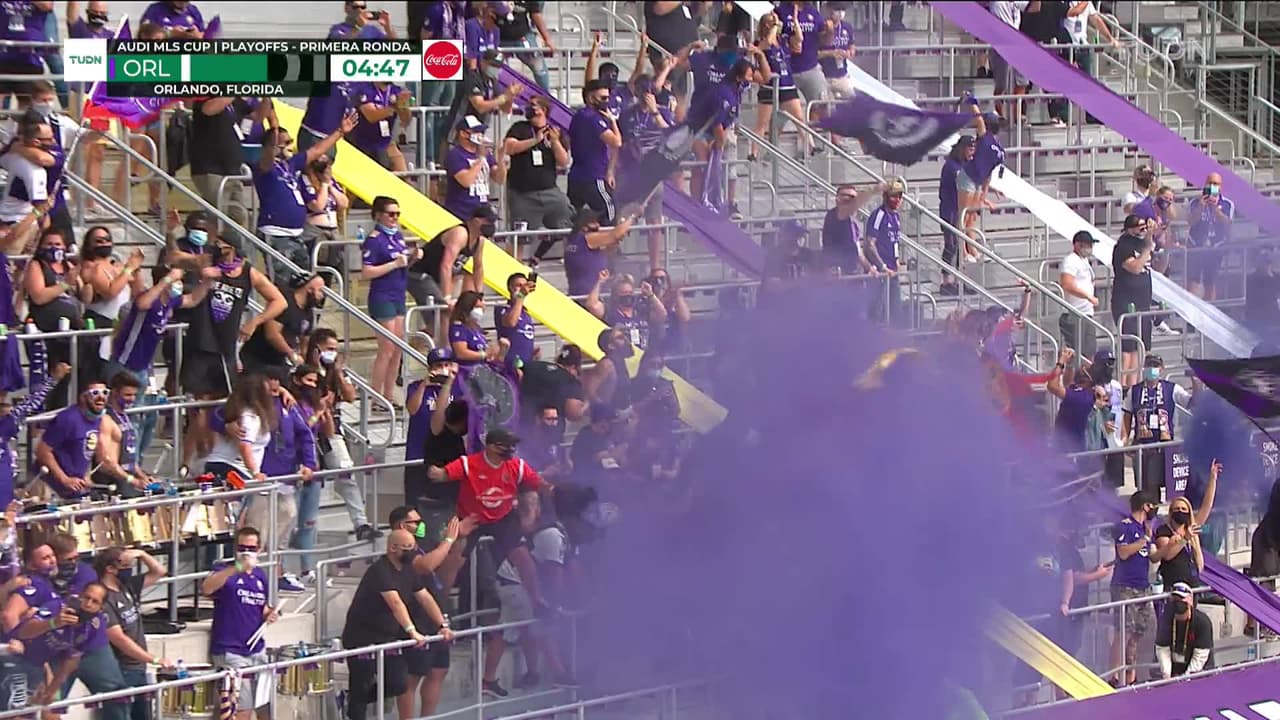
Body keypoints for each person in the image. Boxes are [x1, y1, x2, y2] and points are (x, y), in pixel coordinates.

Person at [181, 232, 285, 464]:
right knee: (199, 407)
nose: (220, 251)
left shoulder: (249, 273)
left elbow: (279, 301)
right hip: (200, 342)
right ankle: (190, 462)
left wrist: (255, 321)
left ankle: (218, 456)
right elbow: (175, 259)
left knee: (223, 403)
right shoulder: (208, 261)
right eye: (218, 246)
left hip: (226, 346)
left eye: (225, 247)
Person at [426, 429, 556, 612]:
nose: (511, 449)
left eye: (513, 445)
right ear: (491, 447)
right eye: (506, 445)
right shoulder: (468, 463)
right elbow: (444, 474)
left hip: (503, 518)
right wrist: (436, 472)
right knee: (454, 558)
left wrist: (549, 488)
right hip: (472, 518)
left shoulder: (517, 466)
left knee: (522, 555)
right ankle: (436, 607)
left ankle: (537, 601)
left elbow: (537, 482)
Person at [341, 529, 453, 720]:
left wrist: (442, 624)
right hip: (362, 637)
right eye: (408, 548)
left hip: (387, 636)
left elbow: (424, 597)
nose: (413, 552)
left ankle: (351, 699)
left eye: (413, 547)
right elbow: (395, 602)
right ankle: (354, 705)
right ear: (393, 548)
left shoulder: (409, 569)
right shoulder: (380, 570)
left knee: (398, 683)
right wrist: (412, 631)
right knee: (362, 683)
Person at [387, 508, 472, 718]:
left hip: (436, 614)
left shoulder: (423, 546)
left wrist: (459, 539)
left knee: (438, 670)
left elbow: (444, 571)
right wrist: (449, 540)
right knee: (413, 675)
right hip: (417, 617)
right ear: (401, 525)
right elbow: (425, 566)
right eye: (415, 522)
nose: (420, 525)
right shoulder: (403, 551)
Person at [254, 113, 357, 281]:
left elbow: (316, 150)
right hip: (276, 234)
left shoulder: (290, 164)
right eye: (286, 142)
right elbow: (266, 161)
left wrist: (340, 132)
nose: (290, 145)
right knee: (284, 283)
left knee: (303, 282)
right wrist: (270, 146)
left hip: (296, 235)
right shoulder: (263, 167)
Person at [303, 329, 378, 541]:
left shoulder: (334, 372)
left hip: (334, 432)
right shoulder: (305, 371)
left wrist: (337, 370)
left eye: (336, 349)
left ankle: (360, 523)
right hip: (309, 432)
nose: (333, 353)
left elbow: (351, 396)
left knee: (347, 475)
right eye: (329, 349)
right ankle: (302, 528)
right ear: (317, 348)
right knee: (308, 483)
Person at [201, 527, 279, 720]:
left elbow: (262, 607)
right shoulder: (224, 570)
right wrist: (237, 567)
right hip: (231, 651)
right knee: (240, 709)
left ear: (259, 549)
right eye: (242, 547)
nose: (247, 552)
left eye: (251, 548)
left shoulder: (260, 575)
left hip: (257, 649)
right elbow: (207, 588)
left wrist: (270, 614)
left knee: (265, 706)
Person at [14, 582, 118, 719]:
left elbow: (72, 660)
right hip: (14, 655)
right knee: (15, 713)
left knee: (49, 713)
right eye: (86, 597)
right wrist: (53, 623)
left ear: (101, 607)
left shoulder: (94, 625)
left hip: (38, 665)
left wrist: (53, 690)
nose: (88, 604)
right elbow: (23, 632)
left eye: (95, 602)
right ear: (79, 596)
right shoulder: (57, 607)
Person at [93, 547, 170, 720]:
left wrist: (141, 554)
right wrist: (154, 659)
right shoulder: (102, 598)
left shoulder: (127, 586)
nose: (130, 567)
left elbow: (160, 571)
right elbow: (119, 638)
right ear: (110, 569)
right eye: (126, 564)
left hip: (138, 668)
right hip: (120, 670)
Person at [360, 195, 421, 408]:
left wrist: (412, 258)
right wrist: (395, 264)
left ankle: (388, 393)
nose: (395, 218)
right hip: (382, 296)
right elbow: (366, 272)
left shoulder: (398, 236)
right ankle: (376, 396)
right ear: (379, 215)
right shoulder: (374, 240)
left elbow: (402, 264)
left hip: (398, 295)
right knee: (386, 348)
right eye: (391, 214)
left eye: (397, 214)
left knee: (398, 348)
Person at [616, 75, 675, 270]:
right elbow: (623, 142)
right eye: (643, 92)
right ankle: (613, 256)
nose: (647, 95)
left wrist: (655, 112)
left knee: (655, 221)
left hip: (654, 174)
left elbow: (671, 137)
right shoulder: (626, 114)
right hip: (630, 172)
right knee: (622, 217)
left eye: (650, 91)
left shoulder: (663, 113)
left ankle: (656, 266)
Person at [505, 97, 573, 266]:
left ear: (544, 110)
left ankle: (571, 261)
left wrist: (555, 142)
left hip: (549, 191)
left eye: (534, 106)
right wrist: (534, 141)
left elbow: (564, 161)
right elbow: (509, 147)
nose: (531, 109)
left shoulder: (555, 131)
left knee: (568, 222)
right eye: (530, 106)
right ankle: (514, 270)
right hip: (523, 194)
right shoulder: (519, 128)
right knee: (519, 237)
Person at [411, 204, 491, 336]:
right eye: (489, 221)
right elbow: (446, 265)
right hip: (420, 274)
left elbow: (478, 268)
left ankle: (408, 348)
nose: (492, 225)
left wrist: (480, 295)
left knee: (433, 327)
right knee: (445, 313)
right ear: (477, 221)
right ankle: (445, 352)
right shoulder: (460, 233)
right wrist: (447, 296)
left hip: (435, 278)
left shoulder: (479, 240)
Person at [1121, 354, 1194, 497]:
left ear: (1161, 369)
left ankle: (1154, 515)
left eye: (1155, 366)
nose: (1152, 369)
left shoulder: (1172, 388)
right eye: (1149, 365)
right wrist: (1125, 440)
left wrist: (1196, 382)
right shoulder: (1134, 391)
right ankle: (1148, 515)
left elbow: (1191, 403)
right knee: (1143, 487)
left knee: (1156, 485)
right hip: (1142, 446)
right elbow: (1127, 415)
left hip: (1163, 447)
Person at [1109, 490, 1157, 687]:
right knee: (1124, 632)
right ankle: (1113, 677)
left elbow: (1153, 556)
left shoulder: (1145, 530)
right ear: (1146, 506)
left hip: (1143, 586)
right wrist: (1143, 540)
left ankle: (1130, 677)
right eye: (1153, 505)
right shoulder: (1124, 526)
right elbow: (1123, 553)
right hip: (1125, 586)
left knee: (1137, 633)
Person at [31, 382, 108, 501]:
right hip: (49, 486)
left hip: (73, 488)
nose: (101, 397)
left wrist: (85, 475)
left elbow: (86, 448)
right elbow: (42, 451)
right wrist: (64, 479)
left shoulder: (97, 419)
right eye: (95, 393)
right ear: (83, 397)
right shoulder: (68, 419)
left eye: (105, 392)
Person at [239, 273, 326, 374]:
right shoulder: (284, 301)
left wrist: (305, 361)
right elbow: (272, 334)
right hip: (257, 357)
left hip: (279, 362)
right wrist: (291, 354)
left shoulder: (308, 313)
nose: (322, 295)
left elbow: (304, 341)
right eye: (320, 290)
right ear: (310, 289)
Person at [1152, 461, 1220, 589]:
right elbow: (1168, 554)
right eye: (1177, 509)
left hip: (1192, 581)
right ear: (1171, 512)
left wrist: (1212, 479)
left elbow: (1207, 506)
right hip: (1173, 583)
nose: (1180, 512)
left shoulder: (1192, 527)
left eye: (1184, 509)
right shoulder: (1163, 530)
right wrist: (1184, 539)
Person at [751, 11, 809, 158]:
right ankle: (754, 152)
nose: (777, 25)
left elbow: (799, 39)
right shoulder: (760, 42)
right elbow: (768, 43)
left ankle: (810, 146)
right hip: (769, 86)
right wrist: (775, 25)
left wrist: (795, 22)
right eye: (772, 22)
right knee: (762, 123)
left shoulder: (783, 40)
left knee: (799, 118)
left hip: (787, 84)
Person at [567, 79, 623, 224]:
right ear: (591, 98)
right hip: (593, 176)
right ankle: (609, 246)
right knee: (610, 215)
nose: (607, 102)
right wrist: (613, 121)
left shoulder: (579, 115)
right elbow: (616, 141)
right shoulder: (592, 118)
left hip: (576, 177)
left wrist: (610, 171)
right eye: (603, 98)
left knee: (573, 220)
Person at [202, 373, 275, 484]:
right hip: (236, 471)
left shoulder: (231, 410)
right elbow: (245, 446)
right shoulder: (250, 417)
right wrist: (255, 472)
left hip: (214, 464)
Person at [189, 97, 249, 228]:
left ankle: (235, 247)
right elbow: (208, 109)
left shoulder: (234, 103)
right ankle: (213, 246)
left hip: (232, 169)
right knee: (217, 218)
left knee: (239, 216)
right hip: (211, 168)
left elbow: (257, 116)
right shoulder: (206, 94)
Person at [1110, 215, 1154, 388]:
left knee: (1139, 349)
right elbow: (1135, 267)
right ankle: (1122, 388)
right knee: (1127, 350)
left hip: (1143, 302)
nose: (1143, 229)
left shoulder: (1143, 244)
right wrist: (1147, 250)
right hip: (1126, 302)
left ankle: (1134, 387)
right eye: (1140, 227)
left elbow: (1157, 265)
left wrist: (1151, 239)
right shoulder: (1123, 246)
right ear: (1129, 228)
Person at [94, 372, 153, 497]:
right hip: (113, 484)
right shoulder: (106, 420)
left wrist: (144, 477)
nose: (132, 399)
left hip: (127, 479)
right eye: (127, 395)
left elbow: (129, 460)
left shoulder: (125, 416)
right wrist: (132, 481)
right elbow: (106, 463)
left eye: (134, 395)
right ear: (114, 393)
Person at [444, 115, 506, 222]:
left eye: (481, 132)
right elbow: (466, 181)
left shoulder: (485, 154)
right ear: (463, 133)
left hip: (482, 210)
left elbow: (499, 179)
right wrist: (481, 158)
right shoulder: (455, 155)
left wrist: (501, 160)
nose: (480, 135)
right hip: (460, 212)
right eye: (476, 131)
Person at [564, 209, 634, 299]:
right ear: (584, 226)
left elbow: (610, 247)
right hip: (588, 297)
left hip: (581, 294)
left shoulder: (574, 242)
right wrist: (632, 217)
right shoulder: (587, 239)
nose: (598, 225)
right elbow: (615, 235)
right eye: (593, 222)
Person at [1186, 172, 1234, 302]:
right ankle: (1190, 315)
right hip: (1196, 246)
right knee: (1193, 282)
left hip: (1215, 248)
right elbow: (1190, 222)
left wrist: (1215, 210)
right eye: (1210, 183)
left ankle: (1209, 313)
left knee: (1210, 283)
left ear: (1220, 187)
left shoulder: (1227, 204)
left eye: (1216, 184)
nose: (1212, 186)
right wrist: (1202, 206)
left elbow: (1228, 224)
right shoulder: (1195, 202)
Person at [863, 181, 905, 326]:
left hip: (893, 271)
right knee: (877, 311)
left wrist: (897, 259)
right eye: (894, 196)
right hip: (880, 273)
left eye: (900, 195)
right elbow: (869, 243)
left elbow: (895, 241)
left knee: (896, 311)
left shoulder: (896, 217)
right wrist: (882, 265)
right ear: (886, 196)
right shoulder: (879, 215)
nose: (898, 199)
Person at [778, 1, 827, 125]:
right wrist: (788, 42)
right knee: (781, 113)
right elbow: (772, 37)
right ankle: (773, 142)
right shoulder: (780, 11)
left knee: (820, 106)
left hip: (811, 67)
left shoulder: (813, 12)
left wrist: (829, 31)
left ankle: (816, 141)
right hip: (787, 71)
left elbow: (824, 39)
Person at [938, 137, 975, 292]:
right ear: (962, 149)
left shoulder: (964, 165)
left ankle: (962, 280)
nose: (972, 152)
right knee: (951, 245)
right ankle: (946, 281)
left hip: (961, 211)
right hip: (950, 210)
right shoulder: (952, 167)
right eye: (969, 149)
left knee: (961, 246)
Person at [350, 80, 412, 173]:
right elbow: (371, 116)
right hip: (364, 144)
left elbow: (405, 121)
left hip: (386, 143)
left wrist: (403, 106)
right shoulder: (364, 89)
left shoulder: (396, 90)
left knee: (403, 174)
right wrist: (393, 108)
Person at [1155, 583, 1214, 679]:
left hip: (1200, 670)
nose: (1178, 603)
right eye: (1175, 599)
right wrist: (1167, 676)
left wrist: (1186, 678)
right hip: (1173, 669)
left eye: (1182, 599)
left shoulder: (1203, 622)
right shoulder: (1165, 619)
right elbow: (1162, 648)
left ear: (1190, 600)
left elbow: (1200, 656)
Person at [520, 345, 588, 427]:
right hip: (549, 430)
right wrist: (587, 404)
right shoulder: (570, 380)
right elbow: (573, 414)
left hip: (522, 422)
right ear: (573, 367)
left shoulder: (532, 366)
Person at [1058, 231, 1099, 365]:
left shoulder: (1085, 261)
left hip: (1086, 313)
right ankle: (1070, 384)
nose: (1089, 248)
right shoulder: (1070, 261)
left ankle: (1085, 382)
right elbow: (1067, 284)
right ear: (1077, 245)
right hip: (1074, 312)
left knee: (1089, 352)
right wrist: (1088, 296)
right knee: (1074, 356)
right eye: (1086, 245)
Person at [496, 1, 554, 90]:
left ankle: (547, 98)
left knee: (539, 67)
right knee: (495, 69)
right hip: (499, 38)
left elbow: (535, 14)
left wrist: (547, 39)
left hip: (523, 36)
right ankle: (496, 99)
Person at [821, 183, 873, 275]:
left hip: (853, 271)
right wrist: (875, 189)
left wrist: (870, 268)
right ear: (837, 199)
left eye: (853, 198)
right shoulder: (834, 216)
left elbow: (858, 250)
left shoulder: (852, 221)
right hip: (838, 273)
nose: (850, 201)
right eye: (845, 197)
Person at [447, 290, 508, 368]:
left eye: (481, 307)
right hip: (466, 371)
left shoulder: (477, 329)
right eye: (477, 307)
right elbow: (461, 353)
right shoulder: (458, 328)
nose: (480, 311)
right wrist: (484, 355)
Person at [497, 273, 538, 369]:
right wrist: (521, 296)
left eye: (524, 285)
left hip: (526, 364)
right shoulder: (503, 309)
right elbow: (511, 322)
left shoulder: (526, 313)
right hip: (509, 365)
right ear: (510, 288)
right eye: (519, 285)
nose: (522, 288)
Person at [819, 2, 856, 99]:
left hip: (841, 75)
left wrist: (849, 52)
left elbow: (851, 46)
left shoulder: (847, 27)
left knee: (853, 99)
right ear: (829, 9)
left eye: (843, 10)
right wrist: (831, 54)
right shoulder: (822, 26)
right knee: (826, 107)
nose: (840, 13)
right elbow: (815, 54)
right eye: (837, 9)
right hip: (823, 76)